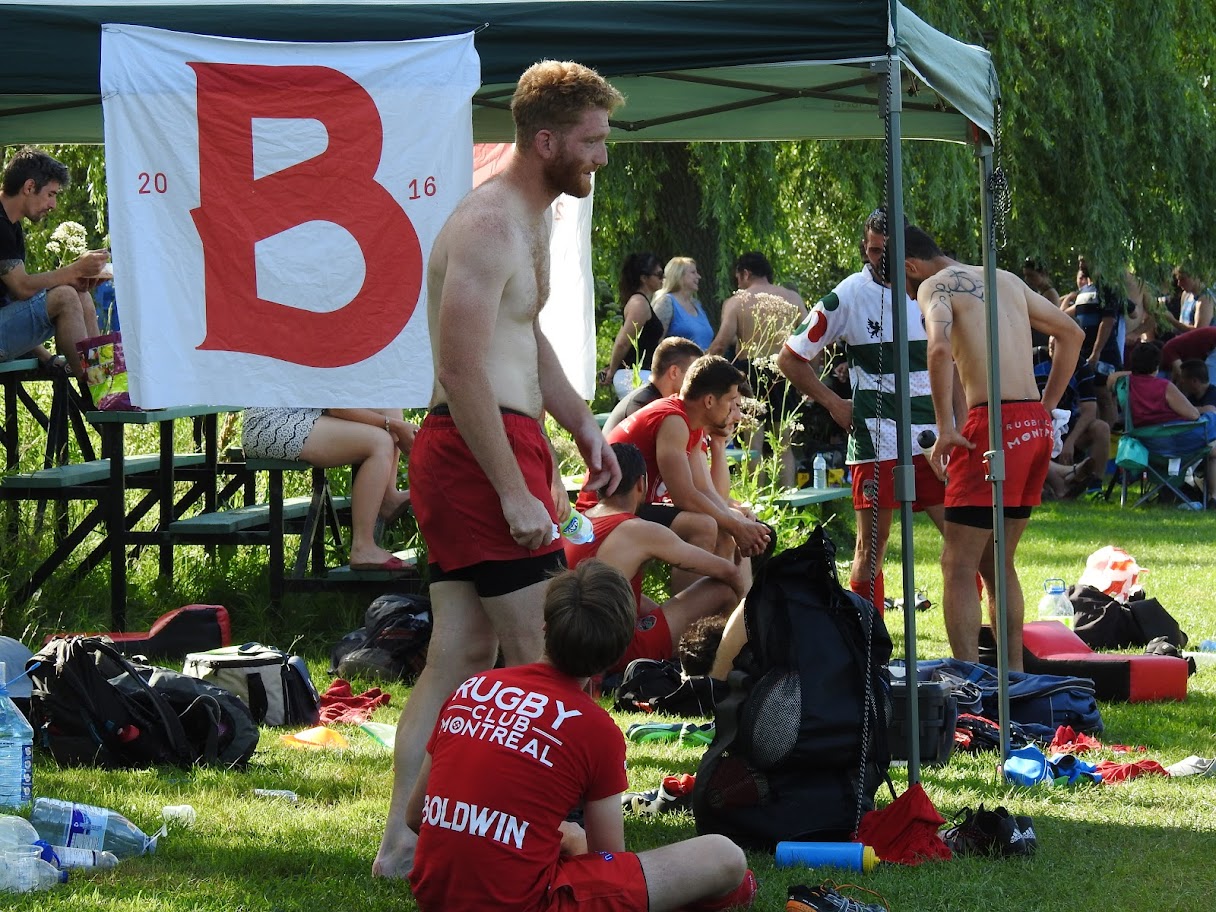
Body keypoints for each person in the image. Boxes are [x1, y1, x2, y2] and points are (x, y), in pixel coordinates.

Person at [374, 60, 624, 880]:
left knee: (458, 654)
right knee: (545, 650)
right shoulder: (488, 224)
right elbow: (461, 368)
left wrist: (580, 420)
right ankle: (558, 837)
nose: (602, 155)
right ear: (546, 140)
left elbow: (524, 342)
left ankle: (403, 843)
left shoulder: (535, 217)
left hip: (498, 447)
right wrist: (515, 487)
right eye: (590, 141)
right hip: (477, 453)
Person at [405, 560, 757, 912]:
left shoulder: (474, 688)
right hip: (525, 902)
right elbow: (610, 860)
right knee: (723, 855)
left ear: (545, 625)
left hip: (434, 895)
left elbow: (416, 816)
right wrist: (574, 838)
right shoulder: (595, 727)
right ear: (618, 653)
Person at [903, 224, 1083, 671]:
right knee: (997, 560)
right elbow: (1072, 334)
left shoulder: (933, 285)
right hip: (1032, 428)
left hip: (991, 425)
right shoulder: (1005, 278)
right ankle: (1013, 676)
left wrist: (945, 427)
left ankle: (970, 679)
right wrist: (1046, 408)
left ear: (910, 267)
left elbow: (939, 349)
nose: (908, 297)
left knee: (956, 563)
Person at [776, 207, 947, 615]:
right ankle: (868, 641)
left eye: (888, 250)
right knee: (870, 547)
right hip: (876, 438)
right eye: (873, 251)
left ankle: (978, 638)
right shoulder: (848, 294)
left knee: (963, 537)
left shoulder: (937, 288)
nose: (881, 259)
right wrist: (833, 402)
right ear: (863, 250)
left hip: (935, 437)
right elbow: (790, 356)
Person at [583, 355, 771, 593]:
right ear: (710, 400)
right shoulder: (674, 419)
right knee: (702, 525)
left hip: (631, 505)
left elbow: (703, 489)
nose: (737, 414)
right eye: (732, 401)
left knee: (726, 523)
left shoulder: (688, 420)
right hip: (602, 509)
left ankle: (727, 616)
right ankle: (691, 618)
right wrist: (736, 526)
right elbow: (685, 497)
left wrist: (736, 523)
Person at [563, 442, 748, 676]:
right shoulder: (638, 530)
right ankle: (723, 662)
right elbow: (728, 572)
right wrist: (746, 613)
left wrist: (661, 613)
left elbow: (614, 592)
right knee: (723, 587)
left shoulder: (577, 524)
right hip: (613, 650)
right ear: (642, 483)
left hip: (571, 644)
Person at [241, 408, 414, 570]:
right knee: (379, 441)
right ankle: (363, 547)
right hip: (271, 425)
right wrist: (395, 425)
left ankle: (388, 495)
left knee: (388, 406)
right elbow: (337, 407)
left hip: (306, 413)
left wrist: (392, 421)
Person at [0, 148, 109, 380]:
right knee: (65, 297)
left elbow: (13, 300)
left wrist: (46, 357)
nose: (54, 205)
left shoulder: (11, 225)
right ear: (29, 187)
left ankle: (106, 381)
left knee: (79, 294)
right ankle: (99, 390)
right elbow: (22, 287)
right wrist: (75, 269)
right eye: (51, 194)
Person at [709, 252, 808, 486]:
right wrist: (808, 381)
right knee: (783, 445)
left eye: (738, 279)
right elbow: (808, 340)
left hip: (749, 374)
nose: (738, 285)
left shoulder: (738, 301)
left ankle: (758, 505)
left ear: (745, 273)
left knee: (752, 444)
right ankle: (786, 502)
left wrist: (700, 368)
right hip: (785, 371)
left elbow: (722, 342)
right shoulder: (792, 298)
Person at [600, 252, 667, 399]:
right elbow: (624, 342)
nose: (663, 278)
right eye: (659, 274)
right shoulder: (639, 304)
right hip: (634, 376)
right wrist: (611, 370)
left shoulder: (642, 303)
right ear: (644, 278)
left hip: (640, 374)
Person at [602, 336, 703, 433]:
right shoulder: (645, 405)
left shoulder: (650, 398)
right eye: (693, 374)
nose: (698, 382)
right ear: (674, 372)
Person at [653, 256, 714, 351]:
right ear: (679, 275)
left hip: (702, 364)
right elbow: (655, 340)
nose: (698, 276)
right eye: (693, 272)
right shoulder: (666, 302)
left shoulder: (697, 305)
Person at [1173, 265, 1215, 330]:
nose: (1179, 284)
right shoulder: (1185, 295)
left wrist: (1172, 320)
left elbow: (1198, 332)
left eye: (1182, 279)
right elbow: (1181, 324)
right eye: (1178, 280)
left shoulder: (1205, 299)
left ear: (1195, 276)